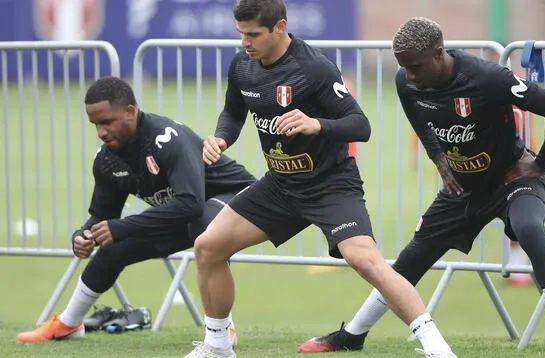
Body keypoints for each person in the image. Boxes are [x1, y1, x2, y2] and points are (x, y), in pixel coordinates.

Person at [297, 17, 545, 358]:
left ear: (438, 54)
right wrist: (437, 156)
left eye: (416, 66)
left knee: (528, 229)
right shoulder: (407, 82)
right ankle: (353, 335)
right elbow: (418, 117)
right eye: (403, 66)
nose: (409, 76)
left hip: (513, 180)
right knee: (411, 258)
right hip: (462, 189)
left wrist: (540, 164)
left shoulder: (487, 78)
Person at [183, 2, 457, 358]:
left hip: (330, 186)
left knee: (365, 261)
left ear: (280, 27)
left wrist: (318, 124)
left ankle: (438, 348)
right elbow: (234, 112)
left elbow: (361, 125)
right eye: (240, 33)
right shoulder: (242, 66)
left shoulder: (313, 68)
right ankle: (218, 346)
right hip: (280, 186)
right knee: (208, 247)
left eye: (253, 34)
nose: (244, 42)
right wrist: (221, 137)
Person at [16, 76, 256, 344]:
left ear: (130, 112)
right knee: (113, 248)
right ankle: (69, 324)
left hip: (239, 200)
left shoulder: (167, 139)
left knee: (202, 226)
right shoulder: (107, 159)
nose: (101, 132)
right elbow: (102, 216)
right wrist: (84, 234)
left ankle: (223, 333)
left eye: (107, 122)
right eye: (95, 124)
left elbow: (190, 203)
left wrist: (120, 227)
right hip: (187, 215)